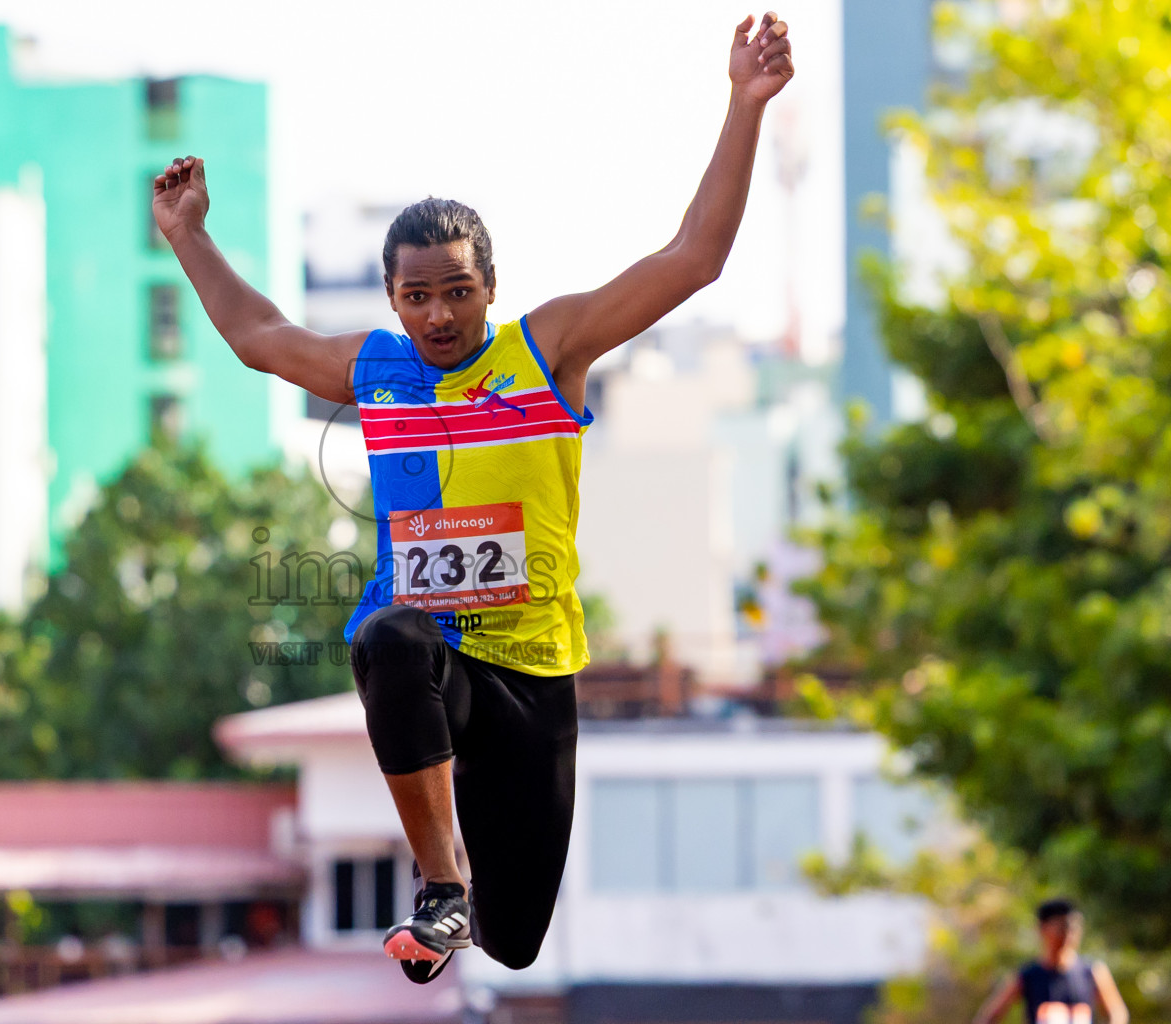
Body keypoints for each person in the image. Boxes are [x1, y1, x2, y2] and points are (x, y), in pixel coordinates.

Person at [152, 12, 795, 983]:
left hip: (530, 672)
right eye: (416, 296)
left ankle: (465, 911)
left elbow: (693, 256)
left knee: (520, 940)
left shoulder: (549, 350)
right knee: (389, 638)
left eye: (456, 291)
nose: (438, 314)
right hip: (436, 657)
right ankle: (440, 885)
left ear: (488, 284)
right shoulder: (373, 369)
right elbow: (257, 335)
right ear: (392, 298)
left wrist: (744, 105)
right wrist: (189, 237)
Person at [973, 899, 1130, 1024]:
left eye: (1074, 928)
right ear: (1042, 929)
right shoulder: (1027, 975)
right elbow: (990, 1015)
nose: (1069, 935)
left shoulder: (1092, 971)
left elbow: (1118, 1013)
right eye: (1062, 927)